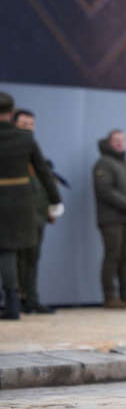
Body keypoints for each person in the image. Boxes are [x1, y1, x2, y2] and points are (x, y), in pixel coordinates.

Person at [0, 92, 63, 320]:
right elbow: (45, 174)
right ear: (11, 113)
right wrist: (56, 201)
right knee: (9, 254)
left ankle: (18, 301)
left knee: (19, 256)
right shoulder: (25, 139)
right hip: (20, 204)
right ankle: (13, 302)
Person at [93, 130, 126, 308]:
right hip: (111, 219)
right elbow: (105, 190)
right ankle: (110, 296)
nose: (120, 143)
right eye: (116, 140)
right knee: (113, 256)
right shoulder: (103, 164)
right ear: (109, 143)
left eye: (122, 140)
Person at [13, 109, 55, 314]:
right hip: (16, 216)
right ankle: (15, 299)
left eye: (31, 125)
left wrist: (50, 208)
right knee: (15, 259)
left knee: (32, 259)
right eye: (23, 124)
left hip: (37, 215)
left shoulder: (34, 151)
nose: (28, 128)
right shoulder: (9, 152)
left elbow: (45, 181)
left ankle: (31, 299)